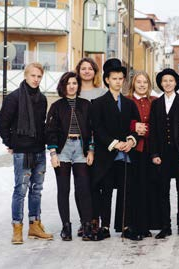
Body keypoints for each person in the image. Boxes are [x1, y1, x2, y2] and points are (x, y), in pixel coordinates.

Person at [0, 62, 53, 244]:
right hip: (22, 152)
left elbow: (41, 125)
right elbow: (2, 124)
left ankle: (35, 225)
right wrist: (12, 143)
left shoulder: (42, 99)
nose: (36, 80)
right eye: (33, 76)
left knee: (37, 190)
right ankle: (17, 228)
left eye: (39, 77)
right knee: (20, 190)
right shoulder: (14, 98)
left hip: (38, 151)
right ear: (25, 75)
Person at [90, 58, 140, 240]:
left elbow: (136, 127)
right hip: (107, 155)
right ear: (107, 80)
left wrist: (131, 141)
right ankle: (105, 227)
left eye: (121, 78)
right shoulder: (98, 103)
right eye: (114, 78)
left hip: (125, 156)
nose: (118, 81)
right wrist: (114, 143)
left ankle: (125, 226)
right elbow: (98, 128)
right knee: (107, 191)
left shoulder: (129, 104)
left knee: (127, 191)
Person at [45, 72, 94, 241]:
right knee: (63, 189)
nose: (72, 86)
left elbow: (92, 129)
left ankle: (87, 225)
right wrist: (53, 154)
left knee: (84, 189)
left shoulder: (86, 105)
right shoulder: (57, 106)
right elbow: (50, 131)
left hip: (81, 149)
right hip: (62, 150)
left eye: (74, 83)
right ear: (63, 86)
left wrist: (91, 150)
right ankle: (66, 227)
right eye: (68, 83)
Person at [149, 68, 179, 239]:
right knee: (163, 190)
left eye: (171, 80)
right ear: (161, 84)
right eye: (164, 81)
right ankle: (165, 226)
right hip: (162, 153)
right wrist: (154, 153)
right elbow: (153, 131)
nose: (167, 83)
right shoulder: (156, 103)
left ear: (176, 83)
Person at [114, 71, 160, 237]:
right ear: (133, 84)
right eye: (138, 82)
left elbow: (158, 123)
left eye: (145, 82)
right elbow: (121, 122)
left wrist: (146, 129)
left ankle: (144, 225)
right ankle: (128, 225)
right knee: (129, 188)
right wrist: (134, 126)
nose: (142, 85)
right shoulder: (125, 100)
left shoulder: (154, 101)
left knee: (146, 188)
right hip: (131, 150)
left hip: (149, 150)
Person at [74, 57, 106, 237]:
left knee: (96, 184)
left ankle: (95, 220)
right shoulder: (73, 92)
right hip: (77, 145)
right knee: (81, 185)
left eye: (90, 68)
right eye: (83, 68)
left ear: (95, 72)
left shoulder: (101, 93)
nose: (86, 71)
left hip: (98, 145)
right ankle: (84, 221)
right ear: (79, 71)